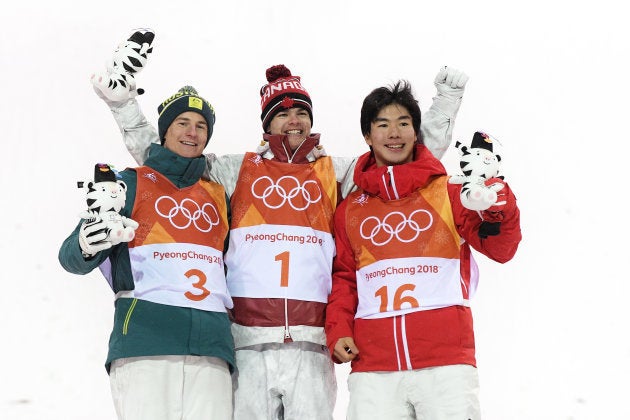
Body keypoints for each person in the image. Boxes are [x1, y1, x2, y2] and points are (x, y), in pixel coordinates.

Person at [91, 32, 468, 419]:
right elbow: (170, 162)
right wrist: (124, 107)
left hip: (311, 342)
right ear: (268, 122)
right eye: (284, 113)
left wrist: (445, 105)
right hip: (247, 342)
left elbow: (403, 159)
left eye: (302, 112)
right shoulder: (235, 170)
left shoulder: (335, 173)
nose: (294, 120)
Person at [324, 81, 522, 420]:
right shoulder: (350, 210)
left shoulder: (447, 192)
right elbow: (344, 278)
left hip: (445, 365)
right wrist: (338, 329)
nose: (394, 133)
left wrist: (499, 206)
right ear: (368, 137)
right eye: (382, 124)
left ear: (416, 132)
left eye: (403, 123)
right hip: (374, 368)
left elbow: (500, 248)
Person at [59, 86, 235, 420]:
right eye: (182, 122)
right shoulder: (128, 183)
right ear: (165, 129)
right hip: (145, 344)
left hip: (211, 352)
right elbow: (70, 257)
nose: (192, 132)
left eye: (201, 126)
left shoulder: (219, 195)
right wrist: (87, 241)